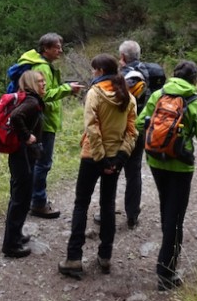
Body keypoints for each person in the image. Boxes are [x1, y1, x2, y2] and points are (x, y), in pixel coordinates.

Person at [58, 54, 137, 279]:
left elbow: (92, 127)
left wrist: (101, 158)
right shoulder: (128, 96)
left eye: (94, 70)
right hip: (115, 158)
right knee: (107, 205)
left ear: (100, 71)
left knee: (81, 204)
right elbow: (132, 131)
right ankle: (105, 256)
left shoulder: (94, 93)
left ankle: (73, 257)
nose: (92, 74)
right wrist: (119, 158)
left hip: (92, 156)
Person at [138, 60, 197, 291]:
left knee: (166, 205)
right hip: (181, 166)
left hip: (155, 161)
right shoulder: (194, 101)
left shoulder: (158, 95)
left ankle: (166, 247)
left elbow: (141, 122)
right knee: (176, 217)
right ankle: (166, 273)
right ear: (194, 79)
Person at [15, 33, 82, 219]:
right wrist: (67, 89)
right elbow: (43, 94)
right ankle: (38, 202)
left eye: (60, 46)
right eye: (57, 47)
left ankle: (34, 199)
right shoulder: (42, 67)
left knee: (39, 162)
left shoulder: (40, 64)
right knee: (43, 163)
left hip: (42, 119)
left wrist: (66, 89)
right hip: (43, 121)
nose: (60, 50)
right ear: (45, 49)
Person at [1, 70, 46, 258]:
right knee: (21, 198)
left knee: (18, 195)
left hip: (20, 154)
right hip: (22, 154)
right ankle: (11, 245)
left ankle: (16, 235)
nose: (43, 84)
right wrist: (27, 136)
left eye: (44, 80)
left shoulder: (29, 99)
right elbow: (17, 117)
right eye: (40, 81)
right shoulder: (31, 101)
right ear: (30, 84)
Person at [116, 39, 150, 228]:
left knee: (112, 169)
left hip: (121, 128)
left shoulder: (122, 76)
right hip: (141, 126)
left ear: (122, 57)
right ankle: (132, 215)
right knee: (134, 171)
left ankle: (106, 212)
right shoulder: (148, 71)